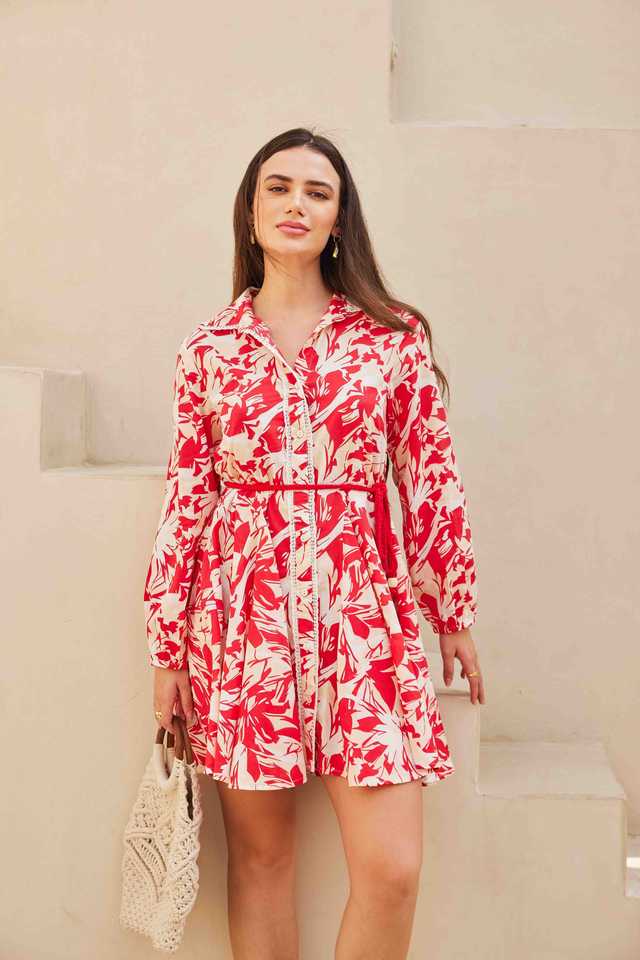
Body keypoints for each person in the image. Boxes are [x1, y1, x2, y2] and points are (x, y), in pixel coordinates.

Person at [143, 126, 484, 960]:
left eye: (317, 192)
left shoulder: (392, 337)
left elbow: (429, 474)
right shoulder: (209, 349)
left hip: (366, 625)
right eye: (279, 187)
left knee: (391, 870)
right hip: (243, 626)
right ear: (250, 211)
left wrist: (453, 609)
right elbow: (188, 495)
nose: (296, 203)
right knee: (263, 862)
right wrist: (167, 646)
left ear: (339, 219)